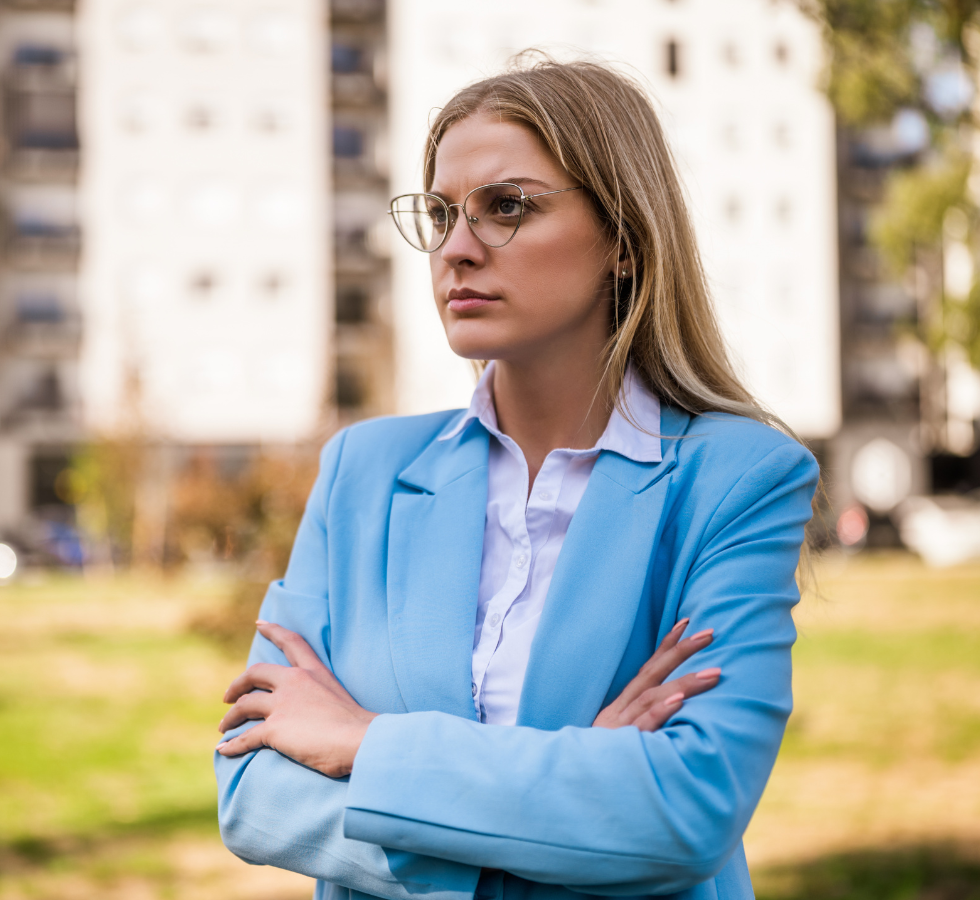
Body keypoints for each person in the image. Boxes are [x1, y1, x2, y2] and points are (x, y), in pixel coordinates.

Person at [213, 56, 818, 900]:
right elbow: (253, 793)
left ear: (623, 240)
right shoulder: (362, 471)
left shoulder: (739, 478)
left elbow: (685, 812)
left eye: (507, 207)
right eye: (439, 214)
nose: (456, 249)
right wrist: (579, 799)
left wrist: (366, 745)